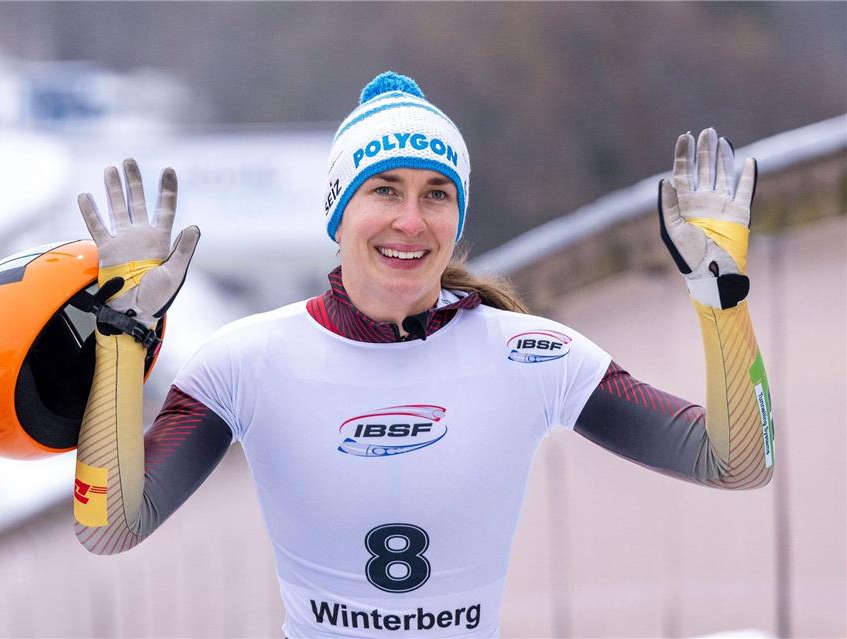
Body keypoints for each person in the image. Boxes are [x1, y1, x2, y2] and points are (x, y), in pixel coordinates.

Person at [72, 72, 774, 638]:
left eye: (436, 195)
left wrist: (723, 298)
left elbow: (740, 461)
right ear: (338, 212)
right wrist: (122, 335)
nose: (410, 221)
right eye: (385, 190)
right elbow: (106, 526)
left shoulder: (532, 354)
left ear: (456, 217)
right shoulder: (243, 362)